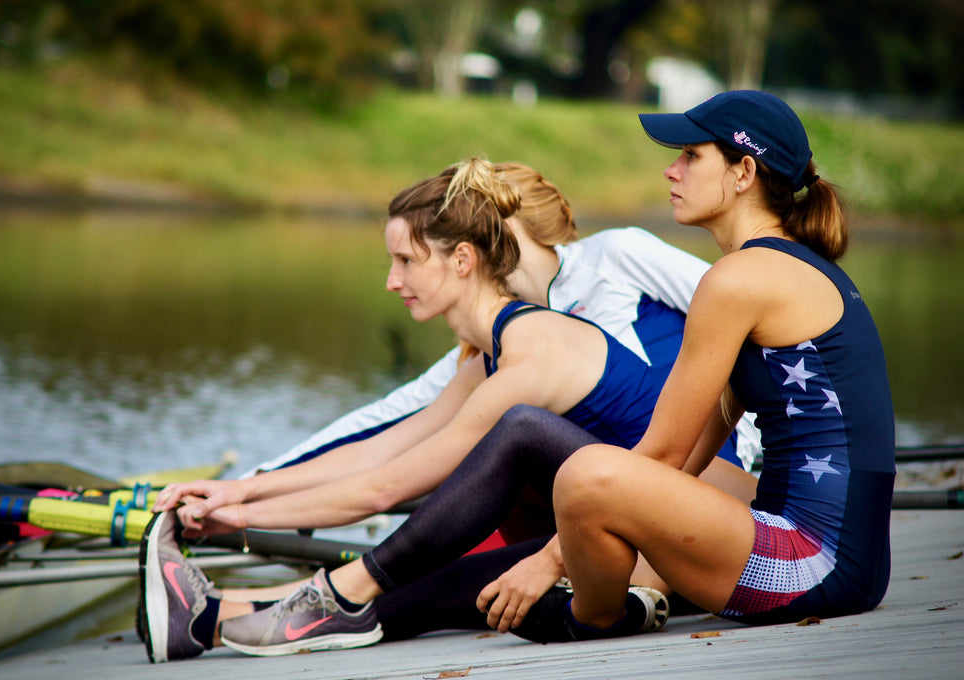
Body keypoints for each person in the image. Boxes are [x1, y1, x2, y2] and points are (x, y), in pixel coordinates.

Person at [139, 158, 754, 663]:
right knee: (434, 590)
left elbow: (382, 488)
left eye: (406, 261)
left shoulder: (536, 349)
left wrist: (240, 518)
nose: (390, 280)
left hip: (703, 530)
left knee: (489, 484)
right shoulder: (486, 358)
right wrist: (235, 496)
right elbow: (376, 448)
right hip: (607, 535)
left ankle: (310, 599)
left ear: (463, 260)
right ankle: (206, 620)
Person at [505, 90, 896, 642]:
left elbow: (659, 455)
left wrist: (548, 559)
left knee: (584, 474)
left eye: (691, 156)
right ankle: (637, 586)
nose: (671, 169)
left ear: (743, 172)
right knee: (664, 469)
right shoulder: (790, 266)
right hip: (855, 561)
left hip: (807, 566)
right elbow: (688, 453)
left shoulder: (736, 281)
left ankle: (592, 614)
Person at [244, 162, 760, 478]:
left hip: (715, 466)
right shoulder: (499, 328)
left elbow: (750, 319)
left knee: (498, 441)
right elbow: (400, 412)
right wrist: (263, 476)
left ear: (500, 222)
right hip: (608, 478)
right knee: (477, 446)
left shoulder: (618, 255)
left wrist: (761, 443)